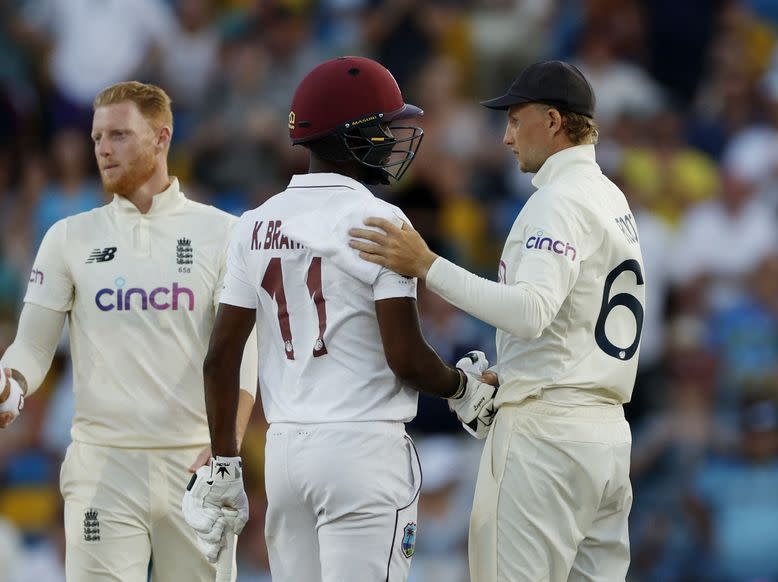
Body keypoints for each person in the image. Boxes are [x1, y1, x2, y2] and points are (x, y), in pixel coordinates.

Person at [181, 56, 497, 582]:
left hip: (284, 454)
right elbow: (404, 357)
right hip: (362, 449)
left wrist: (225, 465)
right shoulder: (379, 218)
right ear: (355, 137)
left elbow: (219, 359)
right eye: (384, 127)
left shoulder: (254, 223)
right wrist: (461, 386)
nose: (394, 138)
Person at [349, 60, 645, 581]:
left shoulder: (557, 200)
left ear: (552, 121)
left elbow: (532, 312)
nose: (506, 137)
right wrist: (515, 372)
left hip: (546, 437)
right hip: (606, 435)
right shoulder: (610, 197)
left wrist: (427, 265)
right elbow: (566, 320)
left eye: (514, 119)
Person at [0, 81, 257, 581]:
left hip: (195, 467)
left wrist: (229, 444)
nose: (101, 149)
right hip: (103, 467)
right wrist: (12, 382)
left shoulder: (223, 234)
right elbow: (33, 345)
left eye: (118, 135)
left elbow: (244, 352)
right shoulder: (69, 237)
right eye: (97, 137)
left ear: (162, 139)